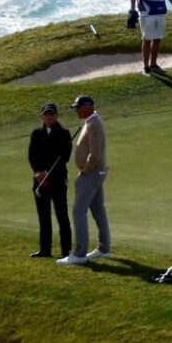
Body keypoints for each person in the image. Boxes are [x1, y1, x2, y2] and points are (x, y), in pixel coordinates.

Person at [58, 94, 111, 265]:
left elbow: (94, 155)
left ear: (87, 106)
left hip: (92, 173)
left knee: (78, 211)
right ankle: (104, 248)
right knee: (98, 210)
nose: (76, 111)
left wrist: (85, 171)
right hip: (96, 172)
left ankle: (79, 254)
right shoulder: (91, 121)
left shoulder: (94, 123)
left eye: (78, 108)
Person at [27, 102, 73, 259]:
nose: (49, 116)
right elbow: (32, 156)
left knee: (62, 216)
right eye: (46, 114)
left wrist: (48, 174)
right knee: (43, 217)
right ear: (41, 116)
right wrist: (38, 173)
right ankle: (45, 250)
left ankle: (66, 251)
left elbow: (64, 158)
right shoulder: (36, 133)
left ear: (56, 115)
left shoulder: (64, 133)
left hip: (58, 180)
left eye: (52, 114)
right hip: (40, 180)